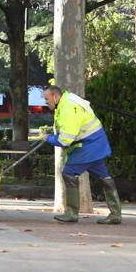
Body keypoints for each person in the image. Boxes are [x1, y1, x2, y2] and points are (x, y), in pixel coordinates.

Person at [42, 84, 122, 225]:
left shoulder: (68, 108)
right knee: (104, 177)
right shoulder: (67, 101)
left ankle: (72, 213)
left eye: (47, 99)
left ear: (55, 97)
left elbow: (65, 140)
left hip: (88, 145)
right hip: (96, 143)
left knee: (69, 172)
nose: (45, 102)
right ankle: (115, 214)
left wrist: (48, 138)